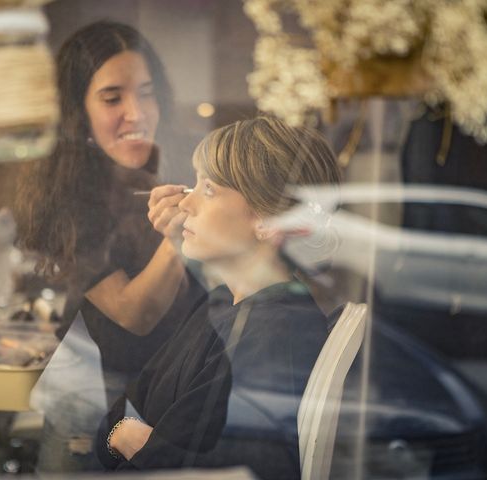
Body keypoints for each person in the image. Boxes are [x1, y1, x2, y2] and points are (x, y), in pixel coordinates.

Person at [96, 116, 342, 479]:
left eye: (208, 189)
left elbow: (213, 468)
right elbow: (119, 417)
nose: (185, 202)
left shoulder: (275, 336)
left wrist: (131, 438)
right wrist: (128, 434)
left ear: (268, 221)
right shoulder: (224, 303)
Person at [14, 21, 204, 472]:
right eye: (112, 97)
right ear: (77, 110)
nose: (136, 113)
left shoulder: (181, 163)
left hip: (178, 393)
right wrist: (180, 237)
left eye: (147, 92)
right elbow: (134, 313)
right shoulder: (67, 195)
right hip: (97, 403)